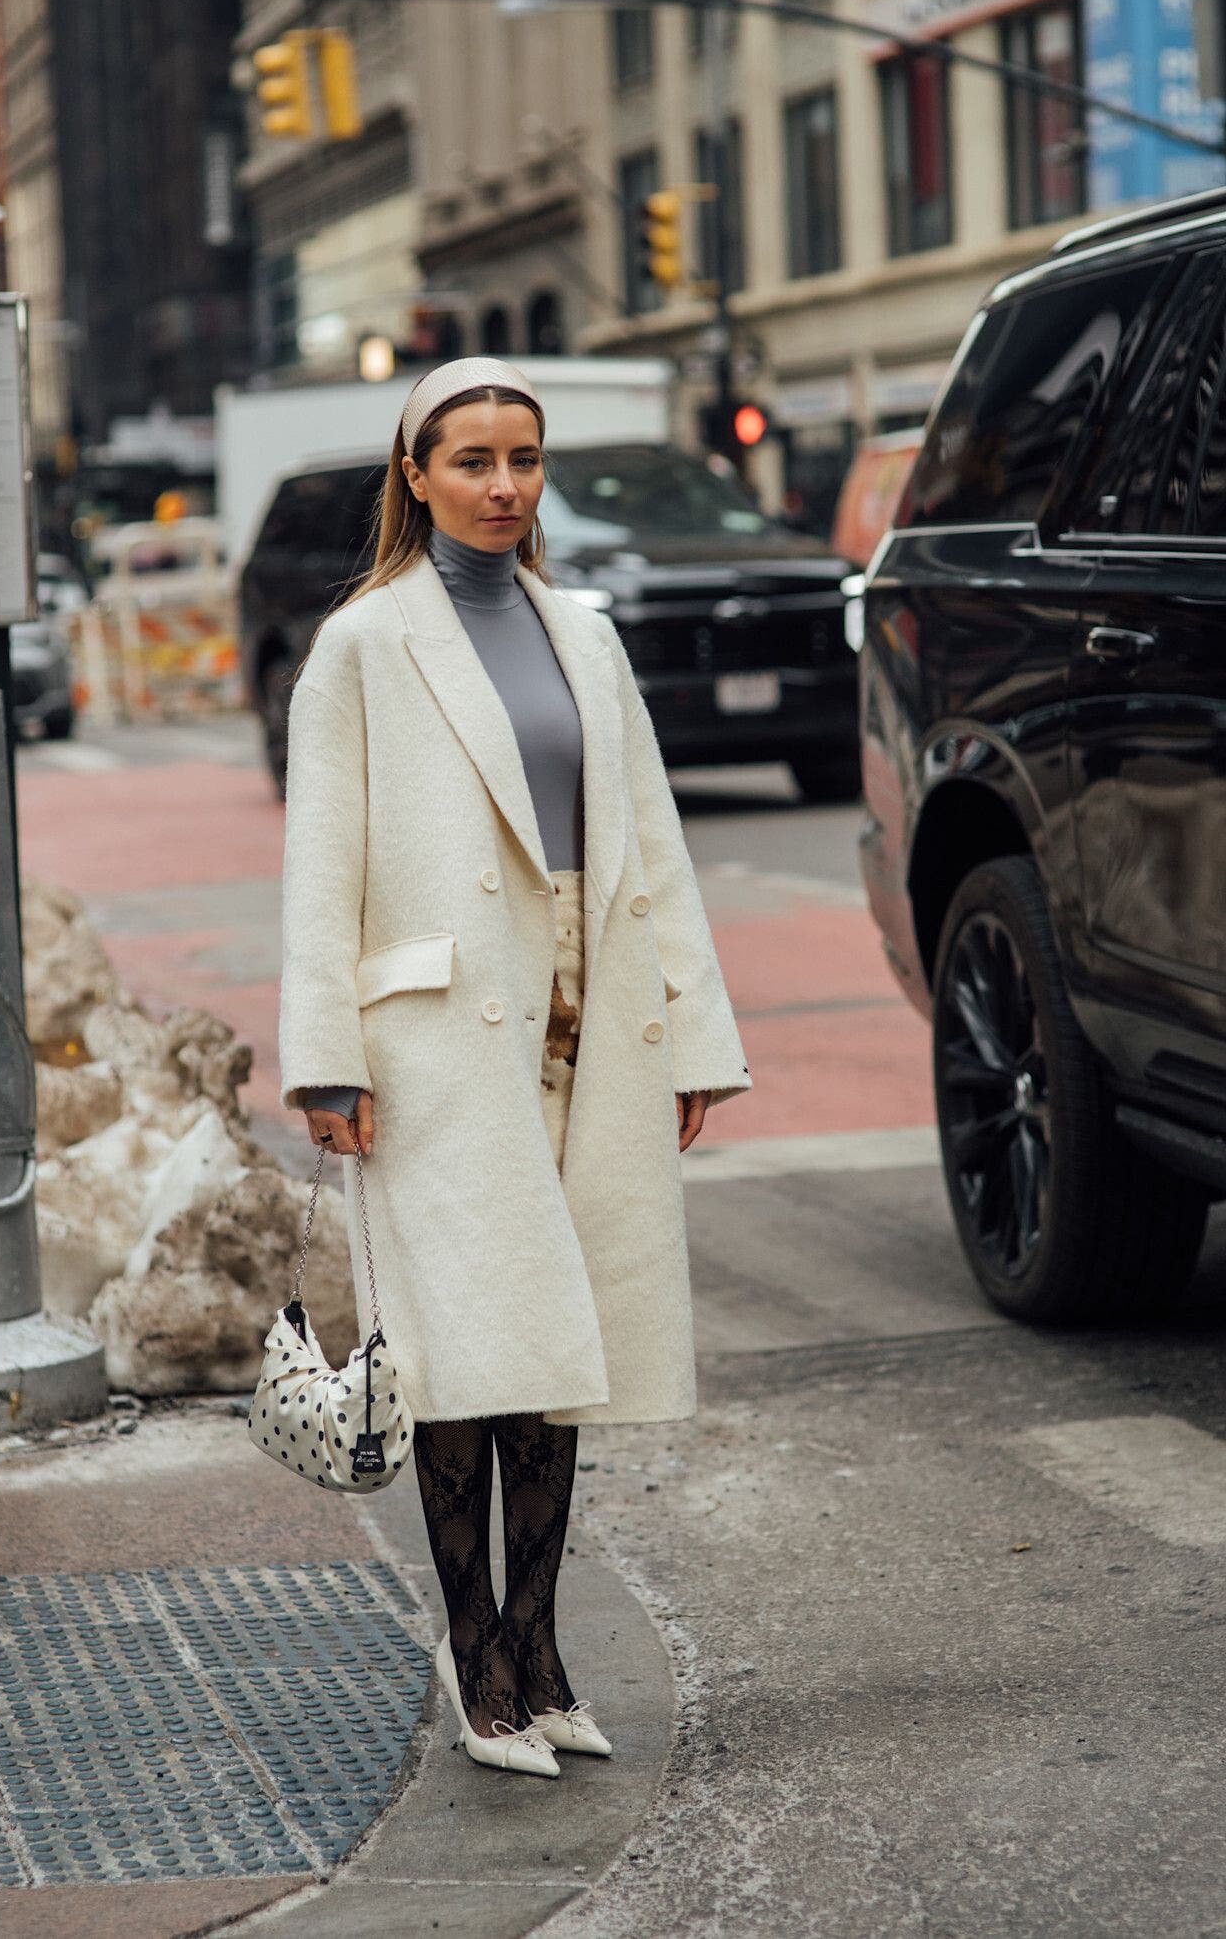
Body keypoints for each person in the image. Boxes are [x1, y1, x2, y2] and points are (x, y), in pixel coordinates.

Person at [279, 355, 752, 1780]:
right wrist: (325, 1059)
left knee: (560, 1351)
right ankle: (476, 1653)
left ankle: (542, 1657)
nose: (502, 487)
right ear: (414, 474)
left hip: (585, 1020)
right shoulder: (364, 643)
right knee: (463, 1356)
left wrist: (696, 1032)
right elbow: (321, 867)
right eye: (472, 460)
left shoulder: (584, 635)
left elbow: (649, 846)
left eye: (524, 461)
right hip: (436, 1043)